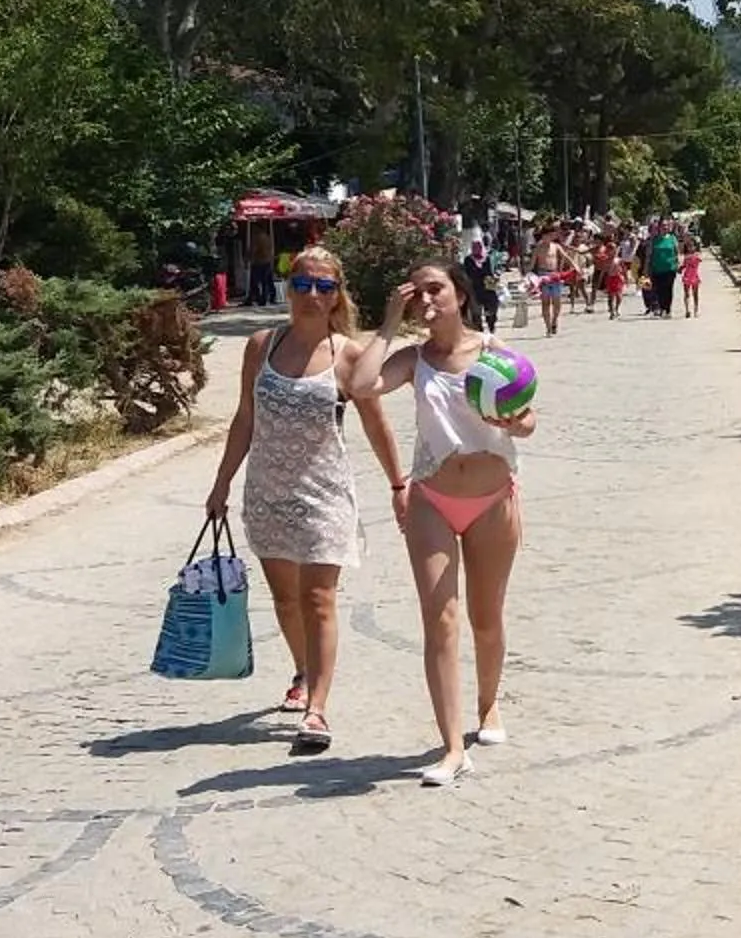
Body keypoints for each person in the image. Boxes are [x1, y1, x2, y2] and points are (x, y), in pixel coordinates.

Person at [203, 247, 403, 754]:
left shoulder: (349, 355)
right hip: (267, 491)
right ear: (288, 287)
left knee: (318, 598)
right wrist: (222, 482)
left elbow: (376, 425)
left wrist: (399, 484)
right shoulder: (261, 346)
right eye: (303, 284)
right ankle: (301, 668)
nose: (312, 295)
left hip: (325, 494)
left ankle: (316, 708)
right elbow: (245, 418)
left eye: (324, 287)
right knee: (286, 599)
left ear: (338, 295)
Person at [347, 260, 534, 788]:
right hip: (432, 497)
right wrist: (387, 324)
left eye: (436, 290)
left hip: (493, 500)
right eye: (418, 292)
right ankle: (453, 748)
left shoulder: (494, 354)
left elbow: (529, 419)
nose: (427, 300)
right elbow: (362, 385)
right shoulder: (413, 360)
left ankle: (489, 704)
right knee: (440, 619)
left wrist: (516, 422)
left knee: (485, 617)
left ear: (460, 295)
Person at [532, 225, 573, 337]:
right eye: (549, 235)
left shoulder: (556, 246)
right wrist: (528, 277)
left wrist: (575, 266)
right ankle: (548, 327)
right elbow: (532, 264)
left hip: (555, 275)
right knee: (545, 303)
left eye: (552, 235)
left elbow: (566, 257)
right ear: (544, 235)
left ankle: (554, 320)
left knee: (557, 302)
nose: (551, 237)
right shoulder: (538, 248)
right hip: (543, 275)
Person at [646, 219, 682, 318]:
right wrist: (646, 268)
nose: (665, 227)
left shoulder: (672, 238)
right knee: (659, 289)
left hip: (670, 268)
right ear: (659, 227)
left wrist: (678, 263)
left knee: (668, 289)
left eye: (667, 225)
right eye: (663, 225)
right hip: (656, 268)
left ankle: (668, 309)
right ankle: (662, 308)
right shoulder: (654, 239)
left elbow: (677, 252)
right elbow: (649, 255)